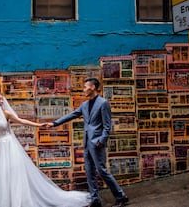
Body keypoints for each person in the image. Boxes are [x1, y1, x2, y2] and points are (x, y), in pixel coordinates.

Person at [0, 90, 91, 207]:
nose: (2, 101)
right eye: (0, 99)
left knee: (14, 172)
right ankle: (6, 201)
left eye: (2, 98)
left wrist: (38, 125)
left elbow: (21, 121)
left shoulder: (6, 113)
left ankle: (18, 201)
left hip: (9, 145)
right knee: (2, 174)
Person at [46, 78, 129, 207]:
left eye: (86, 87)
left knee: (102, 171)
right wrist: (54, 123)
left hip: (97, 143)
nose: (84, 89)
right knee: (90, 172)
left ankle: (121, 196)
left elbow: (107, 126)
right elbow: (72, 115)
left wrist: (102, 140)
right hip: (86, 143)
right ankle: (95, 200)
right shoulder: (85, 105)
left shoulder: (103, 103)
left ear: (93, 87)